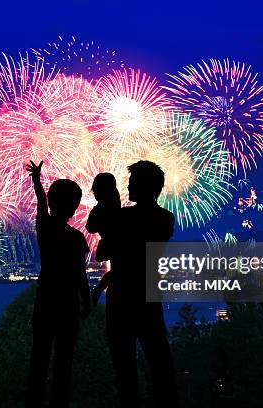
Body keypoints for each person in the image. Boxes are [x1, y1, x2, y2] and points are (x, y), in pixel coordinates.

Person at [103, 160, 179, 408]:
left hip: (121, 299)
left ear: (145, 187)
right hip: (148, 296)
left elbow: (103, 251)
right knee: (159, 361)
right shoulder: (166, 219)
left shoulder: (122, 217)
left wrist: (111, 209)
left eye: (132, 182)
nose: (127, 186)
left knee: (124, 367)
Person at [25, 160, 91, 408]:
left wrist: (37, 180)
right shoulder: (76, 237)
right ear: (74, 207)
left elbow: (41, 204)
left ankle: (33, 401)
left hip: (46, 299)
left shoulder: (45, 227)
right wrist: (86, 300)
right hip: (68, 303)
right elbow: (80, 274)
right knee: (64, 359)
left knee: (39, 356)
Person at [85, 172, 121, 305]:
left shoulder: (102, 209)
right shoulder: (117, 209)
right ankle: (98, 290)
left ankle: (98, 290)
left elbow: (90, 227)